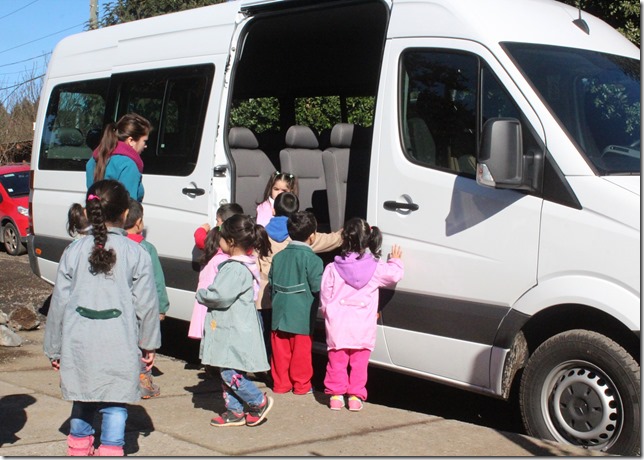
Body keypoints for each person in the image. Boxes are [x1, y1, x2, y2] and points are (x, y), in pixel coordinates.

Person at [43, 179, 161, 456]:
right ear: (124, 214)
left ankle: (79, 449)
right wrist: (149, 343)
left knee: (83, 398)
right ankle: (111, 450)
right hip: (119, 342)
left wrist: (53, 348)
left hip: (79, 342)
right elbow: (147, 304)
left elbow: (58, 304)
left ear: (88, 211)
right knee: (116, 402)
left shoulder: (73, 251)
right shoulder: (137, 253)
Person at [195, 214, 274, 427]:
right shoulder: (244, 265)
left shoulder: (234, 268)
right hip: (235, 327)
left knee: (229, 370)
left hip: (232, 329)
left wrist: (202, 294)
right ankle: (234, 410)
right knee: (227, 369)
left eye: (221, 237)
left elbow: (220, 296)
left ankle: (258, 401)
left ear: (230, 242)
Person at [320, 217, 404, 412]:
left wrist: (328, 313)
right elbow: (395, 275)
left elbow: (325, 295)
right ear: (368, 240)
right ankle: (356, 397)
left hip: (338, 325)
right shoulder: (375, 268)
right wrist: (396, 260)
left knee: (337, 362)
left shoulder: (332, 268)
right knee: (359, 363)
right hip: (363, 326)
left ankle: (335, 396)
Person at [268, 211, 323, 395]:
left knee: (280, 353)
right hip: (302, 317)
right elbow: (317, 287)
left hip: (279, 314)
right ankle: (301, 386)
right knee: (301, 354)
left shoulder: (278, 257)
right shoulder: (313, 259)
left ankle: (281, 385)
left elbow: (271, 284)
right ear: (312, 235)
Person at [124, 198, 170, 399]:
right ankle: (144, 379)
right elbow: (157, 281)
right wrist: (161, 307)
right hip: (143, 305)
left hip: (122, 306)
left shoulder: (113, 245)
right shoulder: (147, 248)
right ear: (139, 222)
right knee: (144, 343)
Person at [188, 202, 244, 340]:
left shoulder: (213, 239)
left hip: (206, 293)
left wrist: (202, 228)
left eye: (217, 221)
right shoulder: (237, 245)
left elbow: (199, 238)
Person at [85, 113, 152, 202]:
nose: (145, 146)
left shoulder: (94, 160)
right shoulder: (128, 165)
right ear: (131, 141)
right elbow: (128, 206)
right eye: (144, 141)